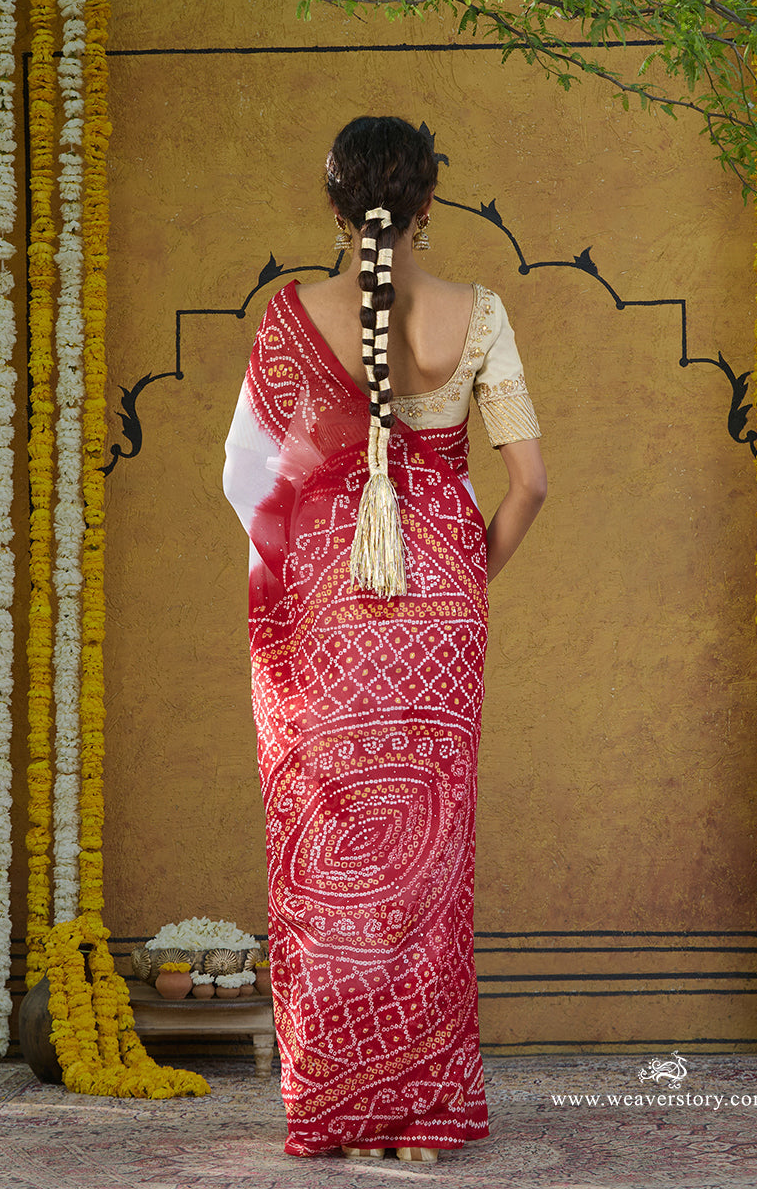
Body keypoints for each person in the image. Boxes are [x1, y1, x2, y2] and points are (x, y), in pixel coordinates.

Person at [222, 116, 546, 1162]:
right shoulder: (479, 311)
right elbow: (530, 483)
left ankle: (336, 1110)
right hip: (444, 596)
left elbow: (245, 484)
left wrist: (308, 584)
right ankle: (425, 1116)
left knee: (325, 844)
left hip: (321, 604)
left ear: (331, 204)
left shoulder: (285, 317)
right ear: (427, 204)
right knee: (428, 859)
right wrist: (459, 587)